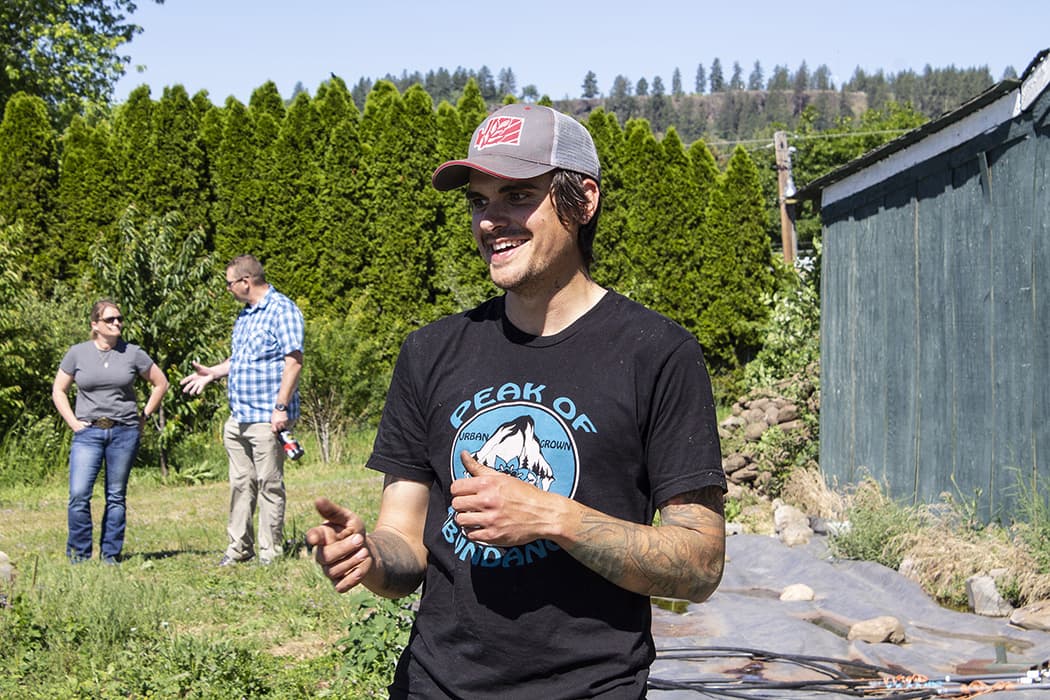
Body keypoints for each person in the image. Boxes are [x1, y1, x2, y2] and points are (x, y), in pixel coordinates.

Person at [308, 103, 727, 698]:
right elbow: (404, 543)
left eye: (517, 196)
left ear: (583, 200)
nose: (490, 221)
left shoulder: (657, 354)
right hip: (433, 685)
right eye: (479, 201)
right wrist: (369, 557)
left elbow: (700, 563)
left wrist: (552, 517)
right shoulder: (430, 352)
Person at [180, 255, 304, 566]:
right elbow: (243, 361)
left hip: (267, 418)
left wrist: (280, 408)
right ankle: (238, 548)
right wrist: (212, 373)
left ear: (245, 282)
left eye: (229, 284)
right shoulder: (246, 316)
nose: (228, 290)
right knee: (240, 483)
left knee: (268, 484)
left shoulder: (282, 310)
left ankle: (270, 553)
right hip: (239, 417)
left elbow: (294, 362)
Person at [52, 299, 169, 563]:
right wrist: (73, 422)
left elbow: (161, 383)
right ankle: (79, 557)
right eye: (110, 319)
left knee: (115, 496)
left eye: (119, 318)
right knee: (79, 495)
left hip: (123, 432)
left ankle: (110, 556)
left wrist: (144, 417)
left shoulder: (133, 353)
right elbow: (59, 390)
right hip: (88, 433)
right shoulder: (77, 353)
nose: (117, 323)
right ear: (95, 325)